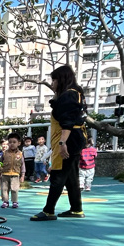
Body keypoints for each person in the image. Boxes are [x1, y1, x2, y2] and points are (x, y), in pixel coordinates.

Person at [31, 64, 88, 221]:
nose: (53, 84)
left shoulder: (68, 95)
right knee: (71, 176)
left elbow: (67, 121)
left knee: (58, 174)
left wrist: (63, 143)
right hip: (76, 139)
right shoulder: (76, 94)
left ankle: (49, 210)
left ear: (61, 80)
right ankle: (76, 208)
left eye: (54, 80)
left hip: (69, 140)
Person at [0, 132, 25, 209]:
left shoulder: (20, 154)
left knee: (15, 189)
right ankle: (5, 201)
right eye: (10, 142)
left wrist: (22, 175)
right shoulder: (4, 153)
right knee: (4, 189)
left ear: (19, 143)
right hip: (5, 174)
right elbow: (0, 164)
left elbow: (23, 165)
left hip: (15, 174)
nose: (12, 144)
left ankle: (15, 201)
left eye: (14, 142)